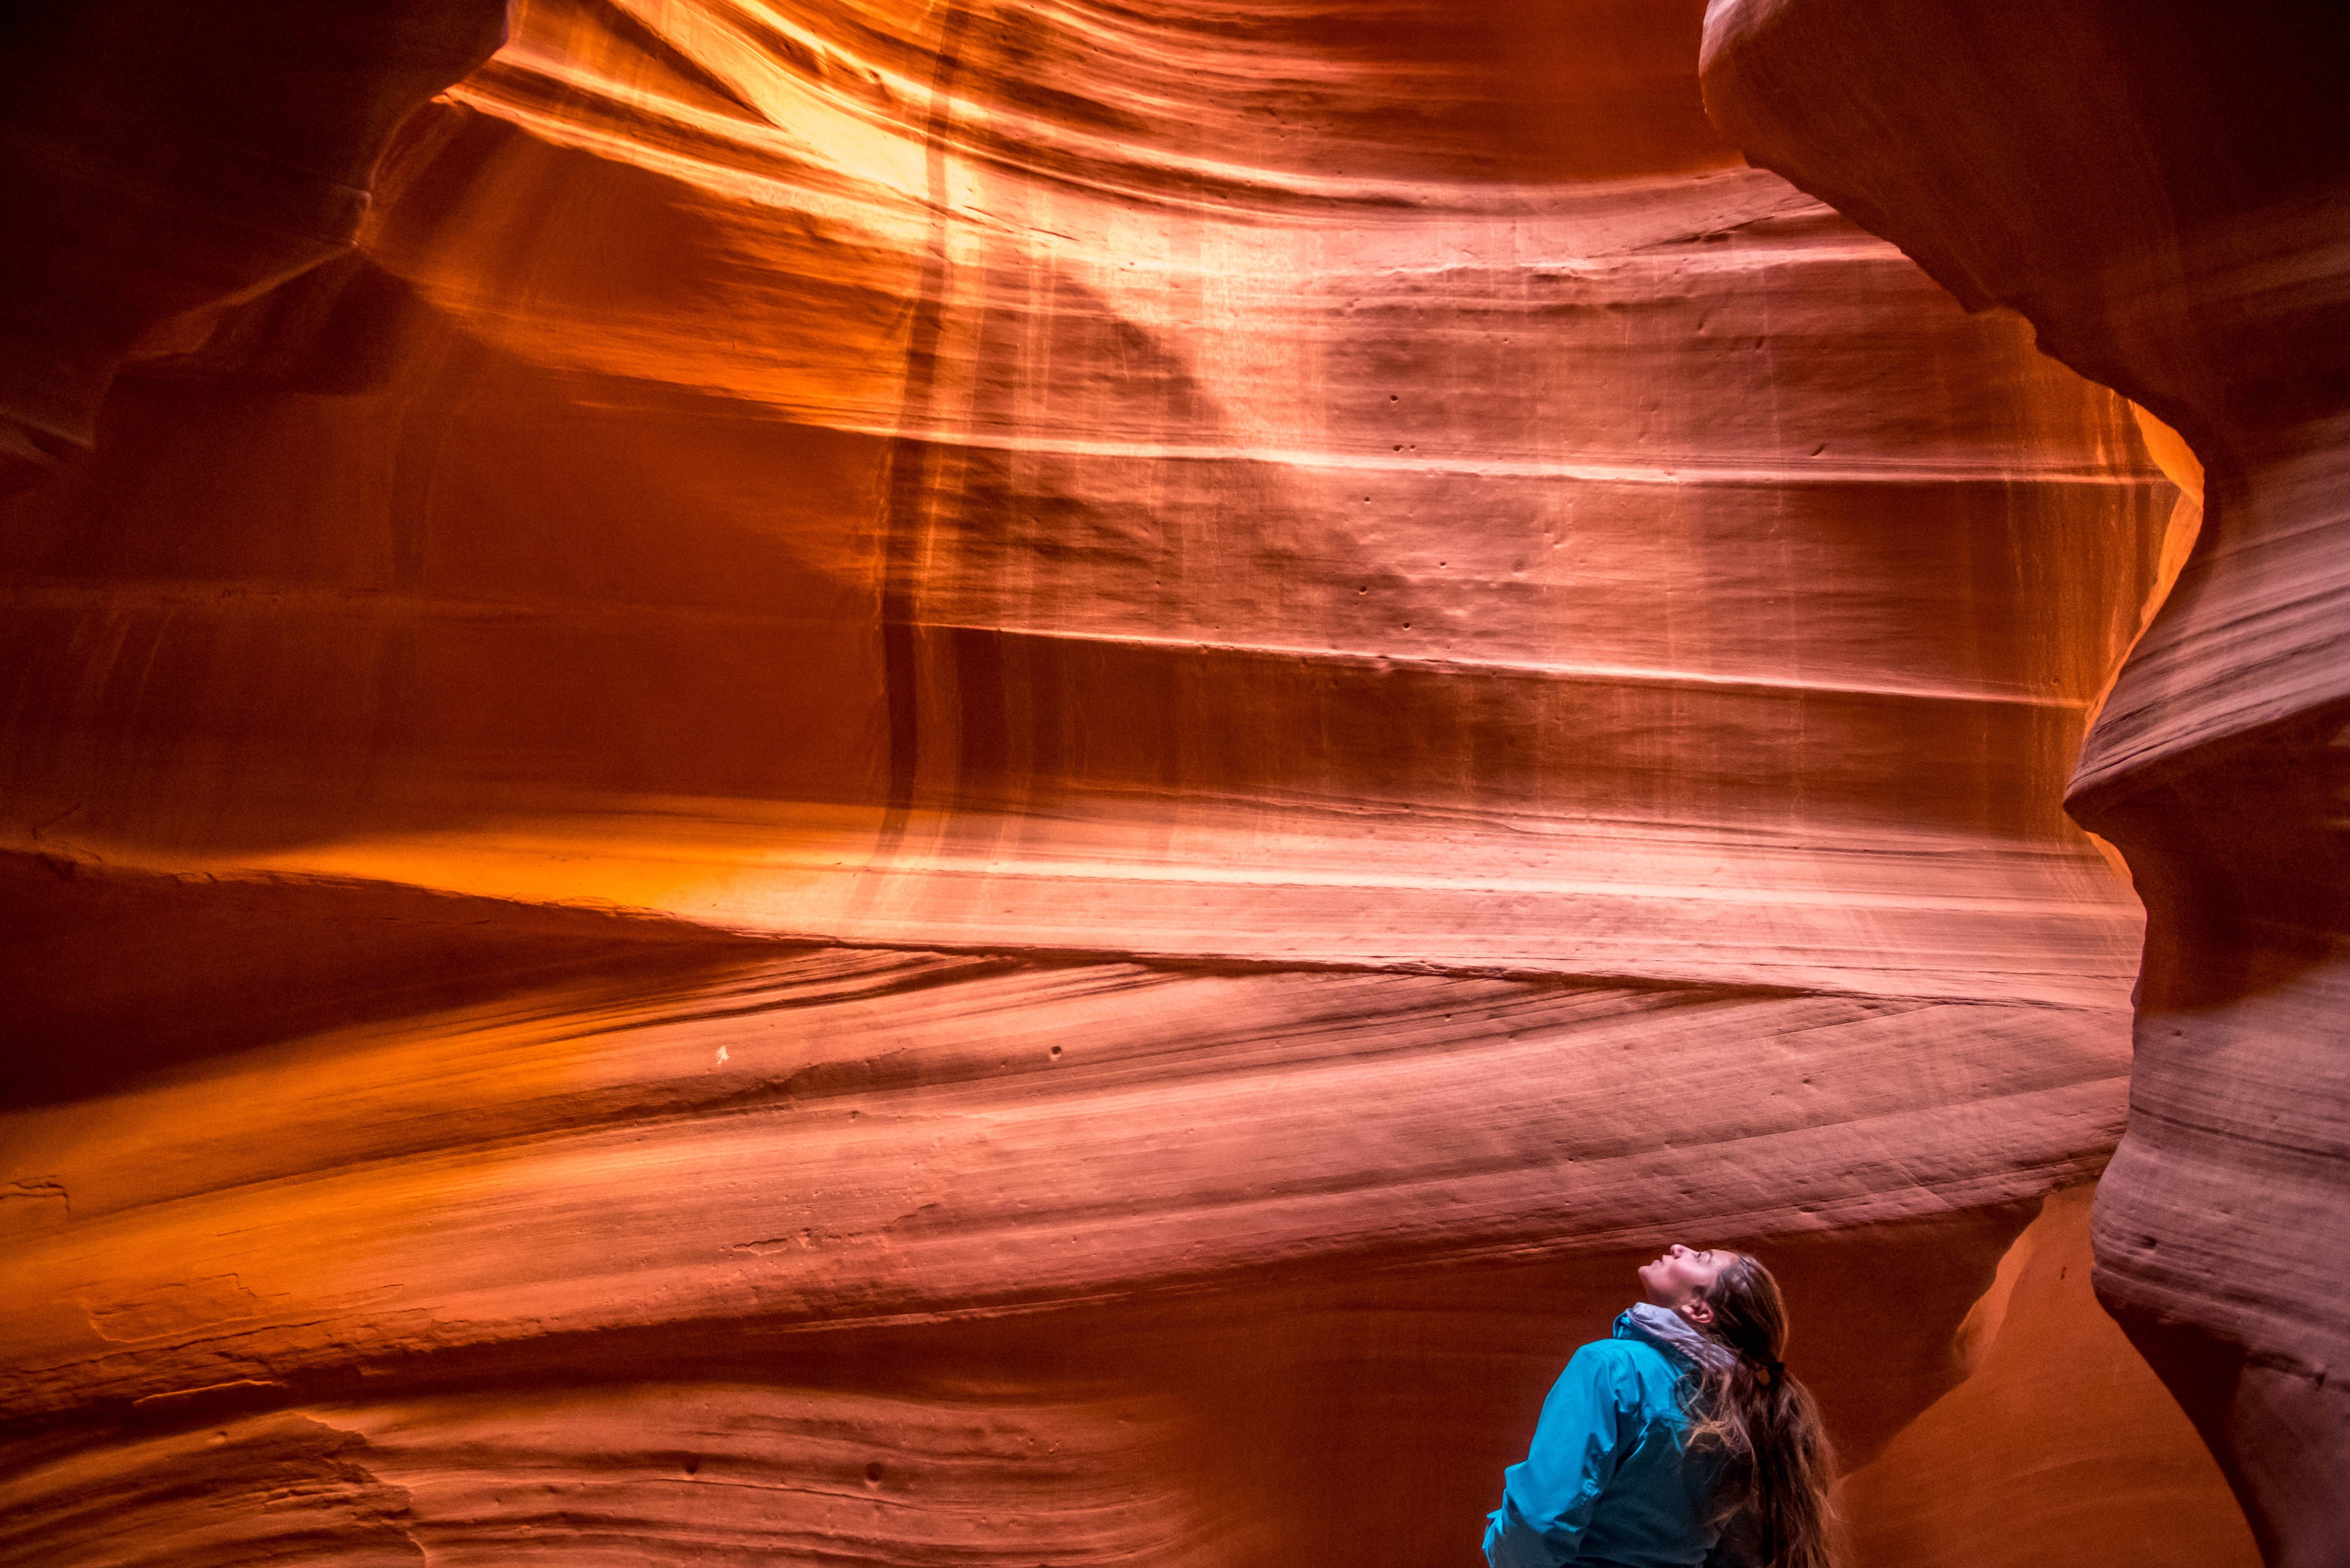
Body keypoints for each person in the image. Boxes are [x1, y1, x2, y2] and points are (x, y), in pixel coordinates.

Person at [1483, 1245, 1836, 1568]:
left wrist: (1501, 1548)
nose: (1680, 1248)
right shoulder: (1747, 1410)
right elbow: (1740, 1553)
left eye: (1701, 1258)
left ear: (1699, 1310)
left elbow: (1542, 1518)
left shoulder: (1612, 1367)